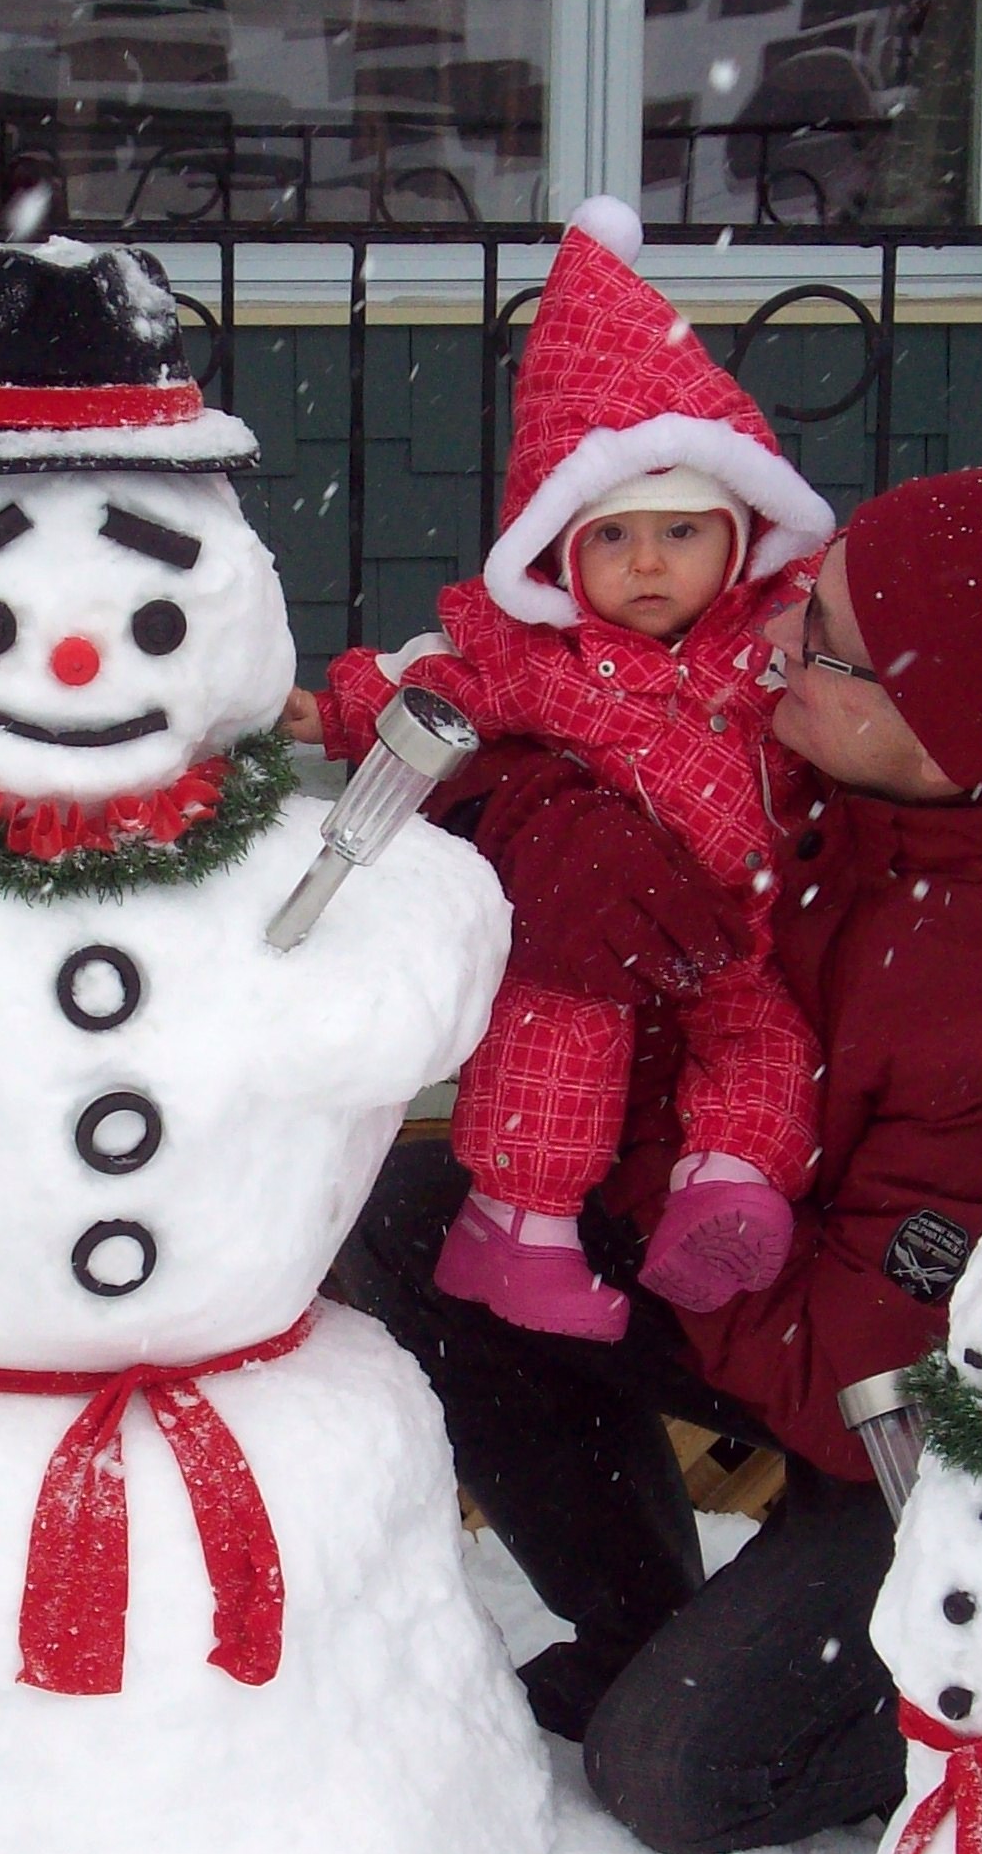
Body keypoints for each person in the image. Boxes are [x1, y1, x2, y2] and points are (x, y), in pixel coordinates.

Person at [333, 462, 982, 1854]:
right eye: (798, 603)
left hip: (943, 1437)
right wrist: (544, 824)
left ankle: (932, 1698)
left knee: (678, 1777)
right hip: (779, 1285)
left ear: (952, 732)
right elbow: (550, 715)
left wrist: (683, 1189)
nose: (767, 644)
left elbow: (865, 1380)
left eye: (817, 642)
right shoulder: (821, 765)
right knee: (421, 1222)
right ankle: (646, 1622)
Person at [284, 197, 835, 1345]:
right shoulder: (541, 659)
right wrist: (323, 710)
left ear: (736, 539)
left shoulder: (772, 650)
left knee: (767, 1046)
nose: (645, 564)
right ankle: (516, 1227)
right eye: (610, 538)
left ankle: (723, 1192)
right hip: (593, 935)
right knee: (554, 1041)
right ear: (559, 551)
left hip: (731, 933)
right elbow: (431, 686)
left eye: (679, 534)